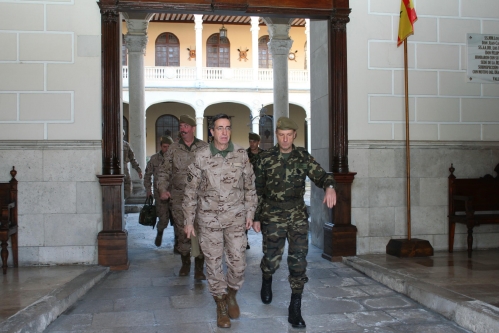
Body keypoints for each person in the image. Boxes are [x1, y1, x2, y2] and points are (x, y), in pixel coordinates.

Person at [253, 117, 337, 329]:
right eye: (281, 134)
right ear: (276, 134)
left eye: (289, 135)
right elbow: (258, 190)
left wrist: (329, 186)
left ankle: (295, 307)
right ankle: (266, 278)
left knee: (298, 260)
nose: (285, 139)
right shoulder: (265, 158)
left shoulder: (302, 156)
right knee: (271, 257)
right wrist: (255, 216)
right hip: (272, 214)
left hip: (297, 214)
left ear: (295, 135)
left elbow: (321, 175)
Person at [182, 113, 257, 328]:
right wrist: (189, 220)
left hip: (236, 218)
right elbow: (190, 191)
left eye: (227, 128)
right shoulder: (201, 156)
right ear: (212, 132)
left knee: (239, 264)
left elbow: (250, 187)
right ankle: (221, 305)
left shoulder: (241, 155)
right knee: (214, 264)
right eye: (219, 128)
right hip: (209, 219)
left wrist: (250, 213)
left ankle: (232, 292)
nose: (224, 132)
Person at [157, 114, 209, 279]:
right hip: (179, 197)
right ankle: (185, 264)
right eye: (181, 126)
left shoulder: (204, 147)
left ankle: (200, 268)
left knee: (200, 231)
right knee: (182, 232)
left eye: (186, 126)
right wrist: (162, 189)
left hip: (200, 198)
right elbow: (164, 171)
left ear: (193, 128)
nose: (182, 129)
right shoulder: (173, 149)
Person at [144, 136, 176, 247]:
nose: (166, 149)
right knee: (163, 218)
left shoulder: (176, 159)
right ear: (160, 146)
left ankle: (178, 242)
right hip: (160, 195)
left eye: (169, 147)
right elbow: (147, 176)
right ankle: (160, 232)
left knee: (177, 219)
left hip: (174, 194)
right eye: (164, 147)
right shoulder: (154, 159)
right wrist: (149, 190)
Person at [245, 132, 264, 249]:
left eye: (254, 141)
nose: (252, 144)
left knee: (262, 215)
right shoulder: (245, 155)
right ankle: (244, 240)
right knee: (246, 216)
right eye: (250, 141)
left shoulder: (264, 155)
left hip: (261, 190)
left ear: (258, 142)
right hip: (248, 190)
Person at [123, 132, 143, 199]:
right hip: (113, 169)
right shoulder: (111, 144)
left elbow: (132, 158)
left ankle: (123, 199)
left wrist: (138, 170)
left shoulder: (126, 145)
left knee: (128, 187)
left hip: (124, 168)